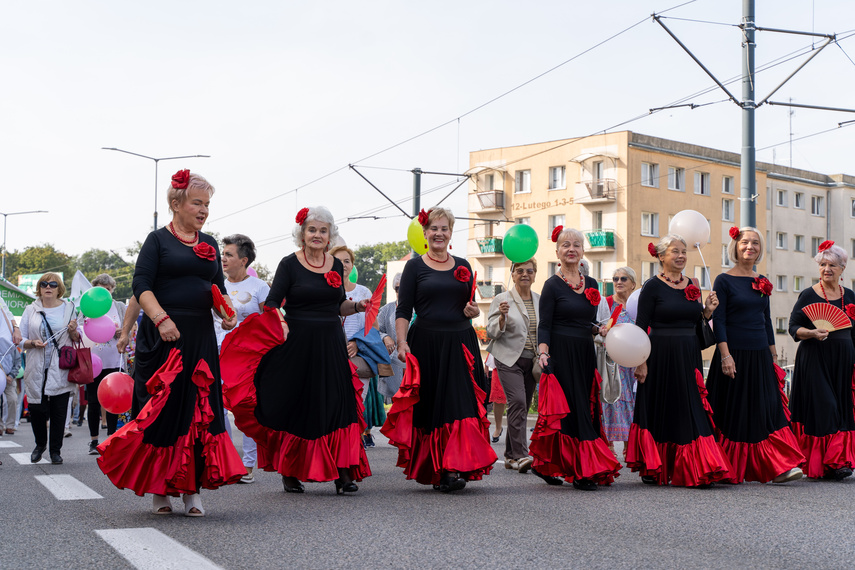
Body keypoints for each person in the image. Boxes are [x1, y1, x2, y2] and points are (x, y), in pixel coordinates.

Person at [97, 170, 245, 517]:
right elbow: (141, 285)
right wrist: (160, 319)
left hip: (199, 338)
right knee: (161, 411)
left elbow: (217, 289)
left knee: (198, 410)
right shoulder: (157, 241)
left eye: (207, 204)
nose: (204, 210)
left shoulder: (208, 244)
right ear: (175, 204)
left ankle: (191, 490)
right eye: (197, 202)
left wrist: (227, 312)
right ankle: (160, 490)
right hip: (163, 336)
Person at [220, 206, 371, 495]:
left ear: (330, 236)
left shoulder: (336, 265)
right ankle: (290, 470)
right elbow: (273, 303)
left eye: (323, 230)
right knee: (299, 405)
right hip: (298, 342)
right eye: (312, 229)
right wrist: (280, 323)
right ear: (302, 234)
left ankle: (343, 472)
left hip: (331, 343)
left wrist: (357, 306)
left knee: (338, 403)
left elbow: (338, 305)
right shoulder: (289, 263)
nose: (317, 235)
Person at [382, 207, 496, 492]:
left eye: (444, 228)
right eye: (434, 228)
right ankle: (441, 469)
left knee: (460, 405)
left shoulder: (463, 265)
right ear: (425, 233)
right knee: (434, 407)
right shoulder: (415, 267)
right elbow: (404, 309)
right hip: (427, 343)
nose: (439, 233)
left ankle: (455, 466)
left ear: (451, 232)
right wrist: (402, 341)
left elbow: (469, 307)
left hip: (460, 342)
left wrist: (472, 311)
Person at [625, 234, 731, 487]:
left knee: (691, 407)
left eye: (684, 251)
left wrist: (707, 311)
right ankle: (655, 465)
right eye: (675, 251)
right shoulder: (651, 286)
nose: (681, 255)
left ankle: (699, 466)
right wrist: (641, 361)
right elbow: (641, 325)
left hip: (688, 354)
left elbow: (696, 324)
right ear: (661, 256)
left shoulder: (692, 285)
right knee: (660, 407)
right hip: (659, 354)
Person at [706, 227, 804, 484]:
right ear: (735, 247)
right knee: (733, 411)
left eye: (756, 243)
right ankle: (724, 467)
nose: (750, 247)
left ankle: (779, 467)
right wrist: (725, 356)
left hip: (760, 353)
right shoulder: (723, 280)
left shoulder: (762, 280)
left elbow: (766, 319)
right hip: (734, 353)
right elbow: (720, 320)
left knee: (767, 409)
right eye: (745, 242)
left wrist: (773, 356)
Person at [532, 228, 621, 490]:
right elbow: (544, 324)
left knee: (585, 403)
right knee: (570, 409)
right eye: (566, 245)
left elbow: (588, 323)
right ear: (557, 252)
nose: (571, 249)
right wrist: (544, 352)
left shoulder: (592, 284)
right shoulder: (551, 285)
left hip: (584, 352)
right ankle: (582, 471)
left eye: (577, 245)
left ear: (583, 251)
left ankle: (546, 463)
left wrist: (598, 329)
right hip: (559, 353)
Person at [788, 240, 855, 480]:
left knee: (842, 408)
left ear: (842, 269)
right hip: (815, 358)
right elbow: (793, 327)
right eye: (823, 264)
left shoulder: (851, 296)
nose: (827, 269)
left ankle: (836, 463)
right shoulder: (808, 294)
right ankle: (830, 462)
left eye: (832, 265)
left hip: (843, 361)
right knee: (827, 406)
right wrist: (812, 333)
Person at [213, 233, 270, 484]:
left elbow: (270, 321)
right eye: (222, 254)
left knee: (246, 408)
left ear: (243, 260)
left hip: (247, 358)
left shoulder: (259, 287)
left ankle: (247, 463)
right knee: (218, 407)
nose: (222, 258)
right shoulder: (215, 285)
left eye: (228, 254)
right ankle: (226, 459)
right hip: (215, 352)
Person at [19, 273, 82, 464]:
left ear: (59, 288)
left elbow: (78, 338)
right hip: (36, 365)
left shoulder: (69, 309)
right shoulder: (31, 309)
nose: (48, 287)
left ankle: (56, 451)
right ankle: (40, 444)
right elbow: (20, 339)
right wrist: (31, 342)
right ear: (39, 288)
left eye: (53, 284)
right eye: (44, 284)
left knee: (58, 410)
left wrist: (73, 331)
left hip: (60, 366)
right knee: (37, 408)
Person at [485, 258, 540, 473]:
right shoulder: (502, 298)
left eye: (529, 270)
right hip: (508, 358)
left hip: (532, 361)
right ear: (513, 273)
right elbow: (490, 331)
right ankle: (520, 455)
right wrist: (502, 317)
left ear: (535, 274)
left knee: (523, 407)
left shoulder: (539, 300)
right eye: (520, 271)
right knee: (516, 401)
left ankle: (509, 455)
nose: (525, 274)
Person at [329, 245, 378, 448]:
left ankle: (351, 449)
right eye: (338, 261)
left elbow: (373, 326)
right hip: (332, 355)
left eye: (347, 261)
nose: (343, 265)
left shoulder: (363, 292)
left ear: (353, 265)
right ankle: (336, 448)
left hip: (358, 357)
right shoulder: (326, 291)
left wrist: (357, 343)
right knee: (333, 405)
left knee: (356, 405)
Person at [85, 274, 127, 455]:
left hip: (114, 359)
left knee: (113, 401)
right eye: (101, 288)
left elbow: (130, 327)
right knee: (93, 401)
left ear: (112, 290)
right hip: (93, 362)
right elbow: (80, 329)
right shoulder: (87, 306)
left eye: (108, 289)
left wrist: (122, 332)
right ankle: (94, 441)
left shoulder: (119, 306)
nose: (105, 292)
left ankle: (111, 437)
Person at [600, 267, 638, 459]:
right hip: (612, 363)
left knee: (633, 402)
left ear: (633, 283)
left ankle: (630, 446)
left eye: (623, 278)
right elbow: (600, 327)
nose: (618, 282)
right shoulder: (607, 303)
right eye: (615, 278)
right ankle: (608, 446)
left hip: (634, 363)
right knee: (611, 401)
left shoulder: (637, 305)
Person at [377, 273, 405, 401]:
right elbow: (375, 330)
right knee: (397, 401)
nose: (402, 291)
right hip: (394, 362)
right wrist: (385, 337)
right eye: (398, 288)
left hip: (414, 362)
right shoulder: (387, 309)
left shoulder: (419, 309)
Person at [0, 296, 23, 435]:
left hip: (9, 378)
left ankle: (10, 425)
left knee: (12, 400)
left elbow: (6, 312)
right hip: (2, 374)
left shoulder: (11, 345)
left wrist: (16, 327)